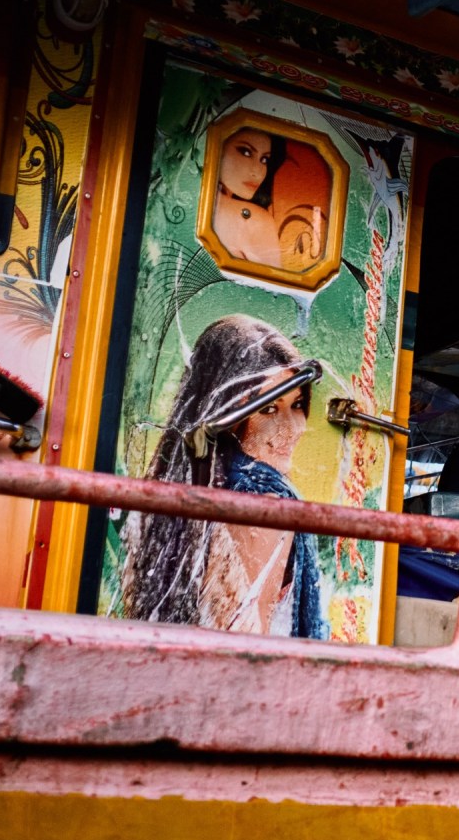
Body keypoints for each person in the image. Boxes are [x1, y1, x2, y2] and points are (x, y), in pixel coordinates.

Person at [121, 314, 328, 639]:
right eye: (269, 409)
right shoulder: (266, 501)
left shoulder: (173, 486)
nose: (293, 428)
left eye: (297, 404)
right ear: (224, 414)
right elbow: (252, 639)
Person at [211, 127, 288, 267]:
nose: (258, 172)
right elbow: (271, 286)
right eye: (246, 152)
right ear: (217, 146)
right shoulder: (257, 219)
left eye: (264, 160)